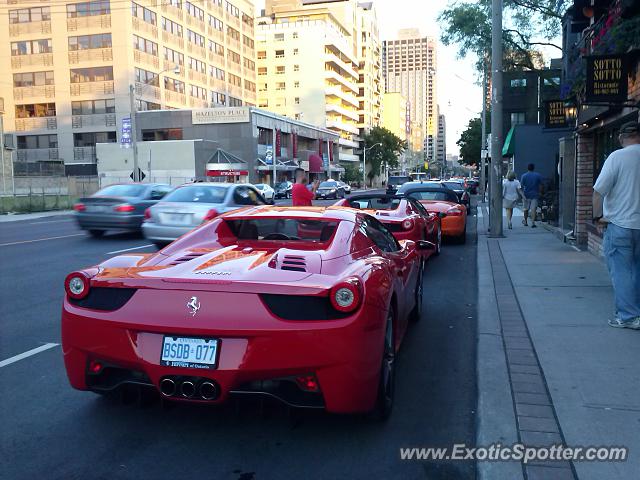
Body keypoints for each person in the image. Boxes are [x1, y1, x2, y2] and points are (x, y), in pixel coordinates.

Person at [592, 120, 640, 329]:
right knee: (636, 271)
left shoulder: (617, 157)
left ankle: (628, 316)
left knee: (621, 271)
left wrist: (597, 218)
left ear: (621, 137)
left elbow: (598, 192)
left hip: (620, 224)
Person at [520, 163, 544, 228]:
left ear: (527, 168)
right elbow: (541, 184)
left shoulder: (524, 176)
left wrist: (522, 195)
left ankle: (525, 221)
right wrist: (540, 192)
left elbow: (521, 186)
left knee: (526, 209)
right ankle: (533, 222)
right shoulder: (538, 175)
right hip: (535, 194)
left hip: (526, 195)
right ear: (533, 168)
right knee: (533, 209)